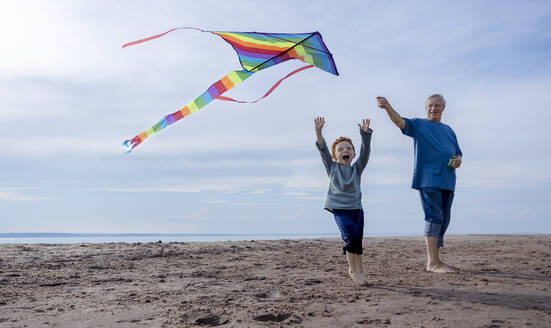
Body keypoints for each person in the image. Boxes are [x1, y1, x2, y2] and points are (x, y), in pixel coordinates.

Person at [376, 94, 462, 273]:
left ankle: (437, 260)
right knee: (434, 218)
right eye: (430, 106)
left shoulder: (449, 130)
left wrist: (457, 161)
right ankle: (433, 263)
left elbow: (458, 154)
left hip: (448, 181)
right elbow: (400, 122)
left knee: (444, 220)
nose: (433, 109)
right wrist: (387, 107)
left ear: (443, 108)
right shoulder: (419, 125)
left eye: (437, 106)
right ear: (426, 108)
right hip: (428, 179)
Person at [314, 116, 372, 285]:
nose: (345, 150)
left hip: (357, 208)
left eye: (348, 148)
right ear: (334, 156)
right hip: (339, 208)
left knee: (358, 240)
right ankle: (352, 270)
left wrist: (365, 135)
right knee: (350, 237)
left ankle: (359, 270)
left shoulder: (357, 168)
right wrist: (318, 132)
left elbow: (366, 151)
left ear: (353, 154)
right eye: (340, 149)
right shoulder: (332, 167)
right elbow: (323, 149)